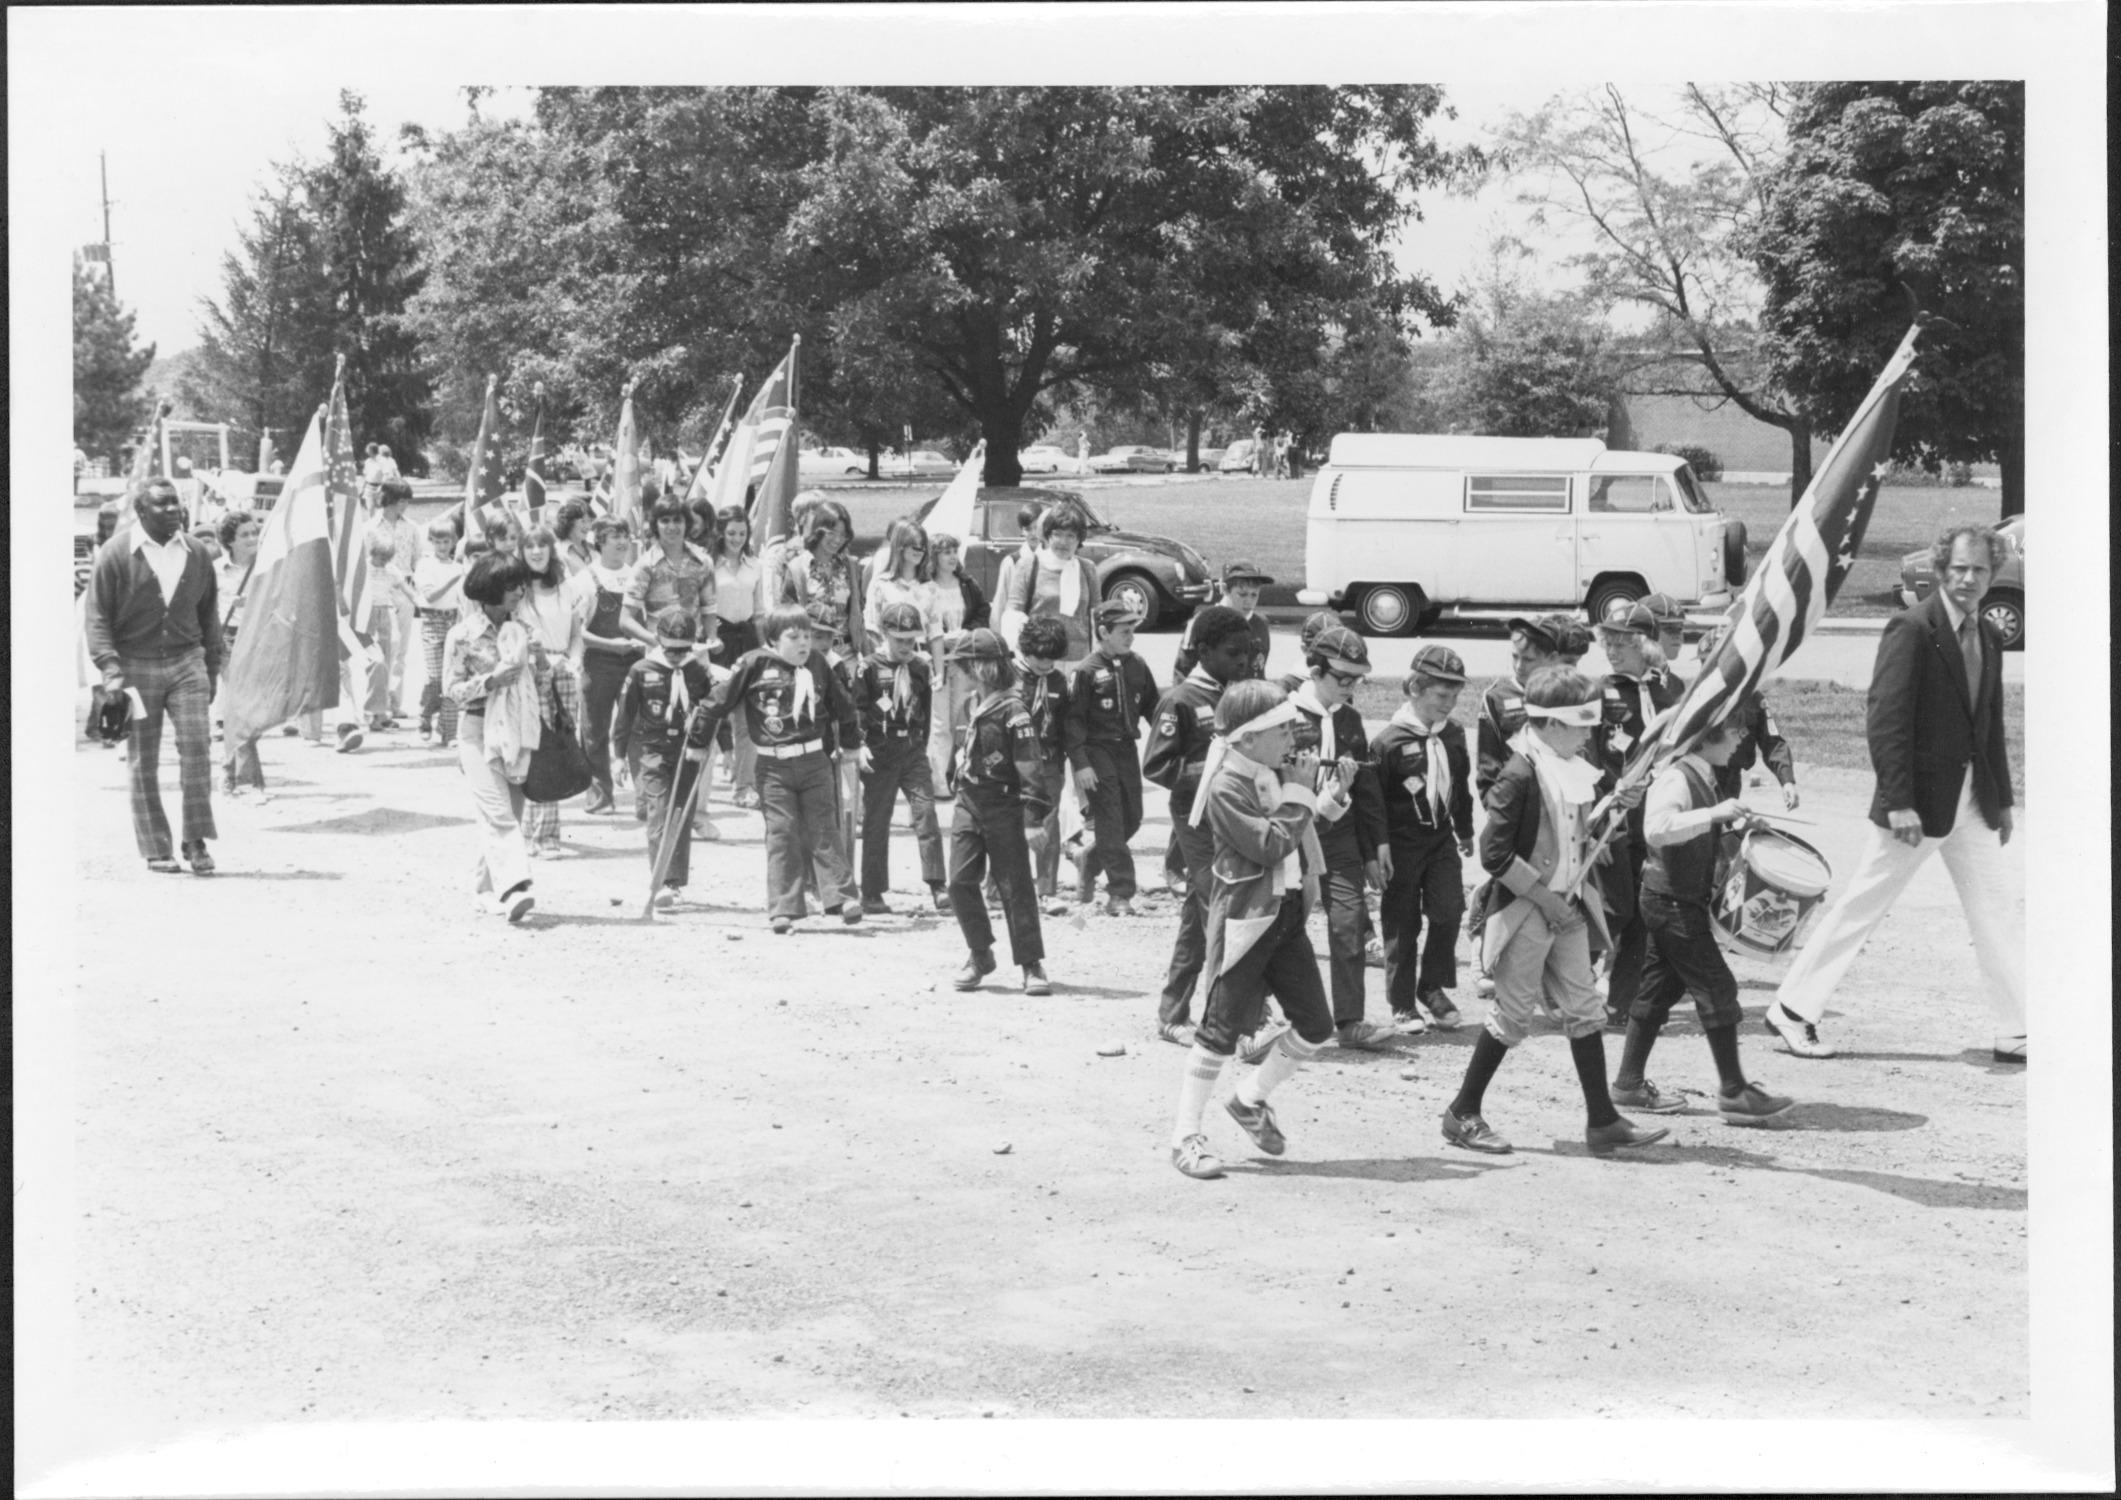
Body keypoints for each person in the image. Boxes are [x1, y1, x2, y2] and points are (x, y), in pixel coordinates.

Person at [1768, 525, 2024, 1062]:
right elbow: (1886, 721)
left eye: (1980, 569)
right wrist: (1899, 799)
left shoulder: (1991, 637)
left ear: (1992, 573)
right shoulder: (1911, 628)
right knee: (1866, 902)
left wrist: (2001, 800)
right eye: (1959, 568)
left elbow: (1990, 724)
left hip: (1972, 801)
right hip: (1917, 805)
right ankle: (1793, 1009)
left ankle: (2015, 1029)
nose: (1969, 579)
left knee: (1996, 910)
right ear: (1939, 569)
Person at [1440, 667, 1668, 1158]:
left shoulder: (1570, 763)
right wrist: (1548, 902)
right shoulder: (1519, 774)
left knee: (1585, 1010)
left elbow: (1575, 835)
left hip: (1569, 907)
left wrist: (1612, 806)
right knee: (1513, 1016)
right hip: (1529, 911)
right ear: (1551, 725)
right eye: (1582, 726)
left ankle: (1602, 1120)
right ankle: (1462, 1111)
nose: (1590, 735)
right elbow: (1495, 855)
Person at [1165, 680, 1345, 1180]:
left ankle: (1250, 1099)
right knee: (1219, 1033)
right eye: (1282, 729)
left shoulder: (1269, 771)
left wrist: (1328, 798)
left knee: (1315, 1025)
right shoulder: (1227, 784)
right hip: (1247, 920)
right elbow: (1269, 844)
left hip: (1285, 917)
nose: (1293, 738)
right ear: (1248, 738)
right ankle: (1184, 1136)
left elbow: (1299, 833)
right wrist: (1302, 793)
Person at [1611, 713, 1797, 1123]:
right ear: (1703, 738)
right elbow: (1656, 829)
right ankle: (1733, 1092)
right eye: (1734, 731)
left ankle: (1627, 1084)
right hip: (1671, 900)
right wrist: (1714, 815)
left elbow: (1696, 831)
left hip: (1675, 899)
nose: (1742, 736)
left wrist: (1737, 825)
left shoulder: (1704, 773)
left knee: (1657, 992)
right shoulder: (1676, 777)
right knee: (1718, 987)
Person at [690, 606, 865, 935]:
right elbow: (717, 701)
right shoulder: (754, 663)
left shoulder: (818, 664)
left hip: (815, 761)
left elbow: (843, 705)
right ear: (772, 639)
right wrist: (699, 740)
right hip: (773, 766)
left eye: (808, 637)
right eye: (794, 637)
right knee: (782, 832)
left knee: (824, 827)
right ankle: (785, 907)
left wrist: (852, 744)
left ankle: (841, 898)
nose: (803, 644)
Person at [86, 479, 227, 875]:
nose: (174, 510)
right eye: (162, 505)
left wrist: (210, 668)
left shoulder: (197, 553)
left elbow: (209, 616)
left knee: (198, 750)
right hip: (135, 666)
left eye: (177, 504)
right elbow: (96, 620)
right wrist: (111, 670)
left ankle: (195, 839)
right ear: (141, 512)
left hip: (187, 663)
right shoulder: (115, 554)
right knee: (142, 760)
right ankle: (155, 846)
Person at [1275, 625, 1395, 1052]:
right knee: (1283, 925)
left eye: (1356, 679)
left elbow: (1366, 788)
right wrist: (1326, 794)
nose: (1350, 687)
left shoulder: (1351, 719)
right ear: (1315, 670)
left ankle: (1349, 1020)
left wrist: (1376, 845)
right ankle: (1276, 1017)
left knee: (1348, 924)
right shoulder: (1284, 713)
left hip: (1341, 836)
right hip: (1296, 833)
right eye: (1342, 678)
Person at [1144, 605, 1254, 1045]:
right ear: (1204, 651)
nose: (1242, 663)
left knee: (1198, 912)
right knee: (1223, 912)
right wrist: (1209, 769)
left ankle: (1172, 1015)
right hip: (1195, 818)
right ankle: (1236, 1022)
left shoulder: (1235, 696)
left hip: (1230, 816)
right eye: (1233, 654)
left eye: (1248, 655)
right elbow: (1156, 765)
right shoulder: (1180, 701)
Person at [1588, 600, 1684, 1031]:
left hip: (1656, 814)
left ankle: (1619, 1003)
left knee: (1644, 913)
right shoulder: (1598, 693)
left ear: (1646, 645)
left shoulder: (1672, 693)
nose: (1612, 651)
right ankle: (1561, 978)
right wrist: (1604, 808)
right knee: (1615, 909)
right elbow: (1586, 758)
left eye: (1623, 643)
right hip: (1615, 817)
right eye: (1608, 641)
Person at [940, 628, 1052, 995]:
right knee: (958, 881)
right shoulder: (968, 706)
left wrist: (1033, 818)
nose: (956, 672)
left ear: (981, 668)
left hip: (1004, 805)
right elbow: (960, 750)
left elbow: (1030, 764)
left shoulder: (1013, 710)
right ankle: (980, 952)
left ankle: (1031, 964)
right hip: (969, 802)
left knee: (1014, 886)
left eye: (962, 666)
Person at [1373, 643, 1476, 1032]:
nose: (1449, 704)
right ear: (1415, 689)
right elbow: (1374, 804)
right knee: (1402, 923)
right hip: (1401, 844)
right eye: (1440, 695)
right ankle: (1402, 1003)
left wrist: (1464, 830)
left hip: (1440, 839)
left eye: (1454, 696)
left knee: (1450, 910)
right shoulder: (1388, 742)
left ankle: (1430, 987)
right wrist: (1378, 847)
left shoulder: (1453, 734)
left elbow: (1460, 786)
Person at [441, 552, 543, 923]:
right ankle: (515, 887)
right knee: (498, 813)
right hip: (476, 731)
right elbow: (451, 691)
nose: (519, 591)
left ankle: (484, 888)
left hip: (518, 730)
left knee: (510, 813)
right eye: (511, 585)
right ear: (491, 589)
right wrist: (489, 682)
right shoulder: (463, 635)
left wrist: (542, 661)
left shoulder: (525, 631)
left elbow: (540, 680)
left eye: (521, 584)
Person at [611, 606, 719, 909]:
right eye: (671, 650)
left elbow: (712, 709)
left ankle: (674, 882)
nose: (676, 656)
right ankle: (658, 880)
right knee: (658, 811)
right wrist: (618, 756)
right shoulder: (642, 670)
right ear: (658, 640)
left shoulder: (697, 670)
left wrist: (728, 748)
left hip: (687, 751)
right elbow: (624, 715)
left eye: (683, 650)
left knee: (680, 814)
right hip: (652, 751)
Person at [1063, 600, 1159, 914]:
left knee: (1131, 818)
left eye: (1133, 630)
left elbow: (1152, 707)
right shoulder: (1086, 671)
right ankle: (1120, 893)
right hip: (1096, 750)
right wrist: (1081, 763)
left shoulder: (1137, 665)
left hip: (1125, 750)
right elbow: (1073, 720)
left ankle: (1088, 860)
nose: (1131, 637)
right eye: (1124, 631)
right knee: (1110, 821)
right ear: (1103, 632)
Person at [855, 601, 949, 915]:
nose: (907, 646)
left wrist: (921, 748)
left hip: (911, 751)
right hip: (880, 753)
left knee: (926, 814)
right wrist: (859, 745)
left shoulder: (921, 668)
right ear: (883, 634)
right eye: (900, 640)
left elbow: (924, 709)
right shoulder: (867, 667)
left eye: (912, 640)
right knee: (877, 821)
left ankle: (938, 884)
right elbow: (858, 711)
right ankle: (872, 891)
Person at [517, 524, 590, 857]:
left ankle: (543, 834)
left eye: (541, 545)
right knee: (534, 750)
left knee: (557, 749)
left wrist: (573, 663)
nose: (536, 552)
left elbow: (577, 635)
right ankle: (533, 833)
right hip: (529, 673)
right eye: (529, 546)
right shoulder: (517, 593)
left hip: (562, 674)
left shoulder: (566, 590)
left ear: (550, 550)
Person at [1692, 620, 1800, 807]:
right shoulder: (1693, 700)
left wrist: (1787, 780)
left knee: (1726, 826)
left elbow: (1772, 742)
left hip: (1731, 775)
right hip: (1697, 775)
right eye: (1706, 663)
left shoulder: (1752, 700)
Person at [575, 517, 641, 816]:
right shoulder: (585, 579)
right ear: (598, 541)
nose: (621, 541)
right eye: (614, 535)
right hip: (598, 663)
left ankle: (647, 798)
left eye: (625, 535)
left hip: (635, 663)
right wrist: (611, 645)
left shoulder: (638, 575)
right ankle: (601, 796)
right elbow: (577, 631)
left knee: (638, 727)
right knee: (594, 730)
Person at [1014, 614, 1075, 912]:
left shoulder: (1059, 682)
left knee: (1048, 826)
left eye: (1052, 659)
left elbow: (1066, 725)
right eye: (1039, 657)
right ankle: (1002, 887)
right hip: (1015, 765)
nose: (1045, 664)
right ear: (1025, 649)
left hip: (1049, 763)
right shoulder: (1010, 678)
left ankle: (1047, 889)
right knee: (1010, 824)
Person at [708, 504, 767, 807]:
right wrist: (708, 640)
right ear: (720, 532)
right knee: (713, 714)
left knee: (747, 718)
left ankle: (745, 785)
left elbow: (758, 611)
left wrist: (763, 646)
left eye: (742, 533)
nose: (737, 538)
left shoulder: (754, 566)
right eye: (731, 533)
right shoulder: (709, 565)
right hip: (717, 641)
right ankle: (703, 784)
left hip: (745, 640)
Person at [925, 530, 990, 799]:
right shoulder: (926, 585)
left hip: (962, 660)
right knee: (939, 723)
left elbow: (982, 611)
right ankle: (937, 781)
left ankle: (954, 772)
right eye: (946, 552)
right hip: (938, 660)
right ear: (935, 556)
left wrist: (969, 631)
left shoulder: (966, 583)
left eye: (955, 551)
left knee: (958, 720)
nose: (952, 557)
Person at [996, 501, 1098, 664]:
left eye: (1070, 536)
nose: (1063, 542)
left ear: (1079, 539)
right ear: (1048, 535)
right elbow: (1012, 616)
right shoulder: (1028, 566)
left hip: (1080, 661)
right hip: (1040, 661)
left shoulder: (1088, 569)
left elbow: (1096, 617)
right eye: (1057, 534)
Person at [213, 510, 267, 798]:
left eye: (254, 533)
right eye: (244, 535)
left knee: (252, 710)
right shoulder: (215, 570)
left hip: (260, 640)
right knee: (240, 706)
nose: (252, 539)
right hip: (228, 640)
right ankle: (244, 779)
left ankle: (229, 768)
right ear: (229, 541)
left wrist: (255, 600)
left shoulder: (266, 569)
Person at [1477, 618, 1560, 797]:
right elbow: (1488, 763)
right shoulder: (1496, 697)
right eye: (1515, 656)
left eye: (1529, 660)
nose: (1519, 666)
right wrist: (1494, 805)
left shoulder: (1566, 695)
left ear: (1552, 658)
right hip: (1513, 802)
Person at [622, 497, 717, 653]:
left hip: (695, 654)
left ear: (687, 523)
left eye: (677, 520)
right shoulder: (645, 566)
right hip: (659, 655)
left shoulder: (703, 562)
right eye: (665, 521)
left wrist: (713, 639)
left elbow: (709, 609)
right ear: (655, 525)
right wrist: (656, 641)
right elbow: (625, 620)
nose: (671, 526)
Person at [782, 498, 866, 665]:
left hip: (848, 653)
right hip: (812, 654)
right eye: (832, 533)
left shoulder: (850, 566)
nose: (837, 540)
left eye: (843, 535)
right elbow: (787, 615)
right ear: (818, 531)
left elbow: (858, 612)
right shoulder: (797, 568)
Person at [370, 480, 423, 723]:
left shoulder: (412, 528)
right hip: (378, 592)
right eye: (403, 500)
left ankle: (395, 701)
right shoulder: (369, 528)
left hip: (403, 589)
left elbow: (417, 561)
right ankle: (377, 704)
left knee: (400, 649)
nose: (406, 505)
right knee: (380, 650)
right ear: (391, 500)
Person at [413, 518, 468, 748]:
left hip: (453, 620)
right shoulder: (426, 565)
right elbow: (431, 596)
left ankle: (448, 730)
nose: (442, 547)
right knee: (436, 676)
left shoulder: (458, 567)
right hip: (433, 621)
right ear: (431, 542)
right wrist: (453, 580)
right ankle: (425, 715)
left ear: (453, 542)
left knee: (452, 677)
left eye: (446, 542)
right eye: (437, 542)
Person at [1174, 562, 1273, 681]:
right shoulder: (1203, 622)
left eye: (1254, 595)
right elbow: (1182, 672)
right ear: (1225, 590)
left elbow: (1259, 671)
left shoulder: (1260, 624)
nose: (1249, 601)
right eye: (1242, 594)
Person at [554, 500, 597, 576]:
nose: (588, 526)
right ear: (569, 522)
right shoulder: (558, 551)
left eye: (590, 521)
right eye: (583, 521)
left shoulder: (593, 546)